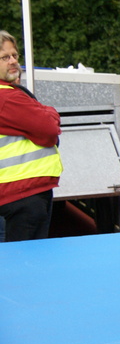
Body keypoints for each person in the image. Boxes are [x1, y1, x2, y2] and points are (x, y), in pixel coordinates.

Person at [0, 30, 63, 242]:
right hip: (22, 193)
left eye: (15, 55)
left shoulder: (11, 93)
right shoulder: (7, 98)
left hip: (18, 192)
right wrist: (50, 111)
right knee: (26, 264)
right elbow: (49, 131)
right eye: (4, 57)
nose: (13, 62)